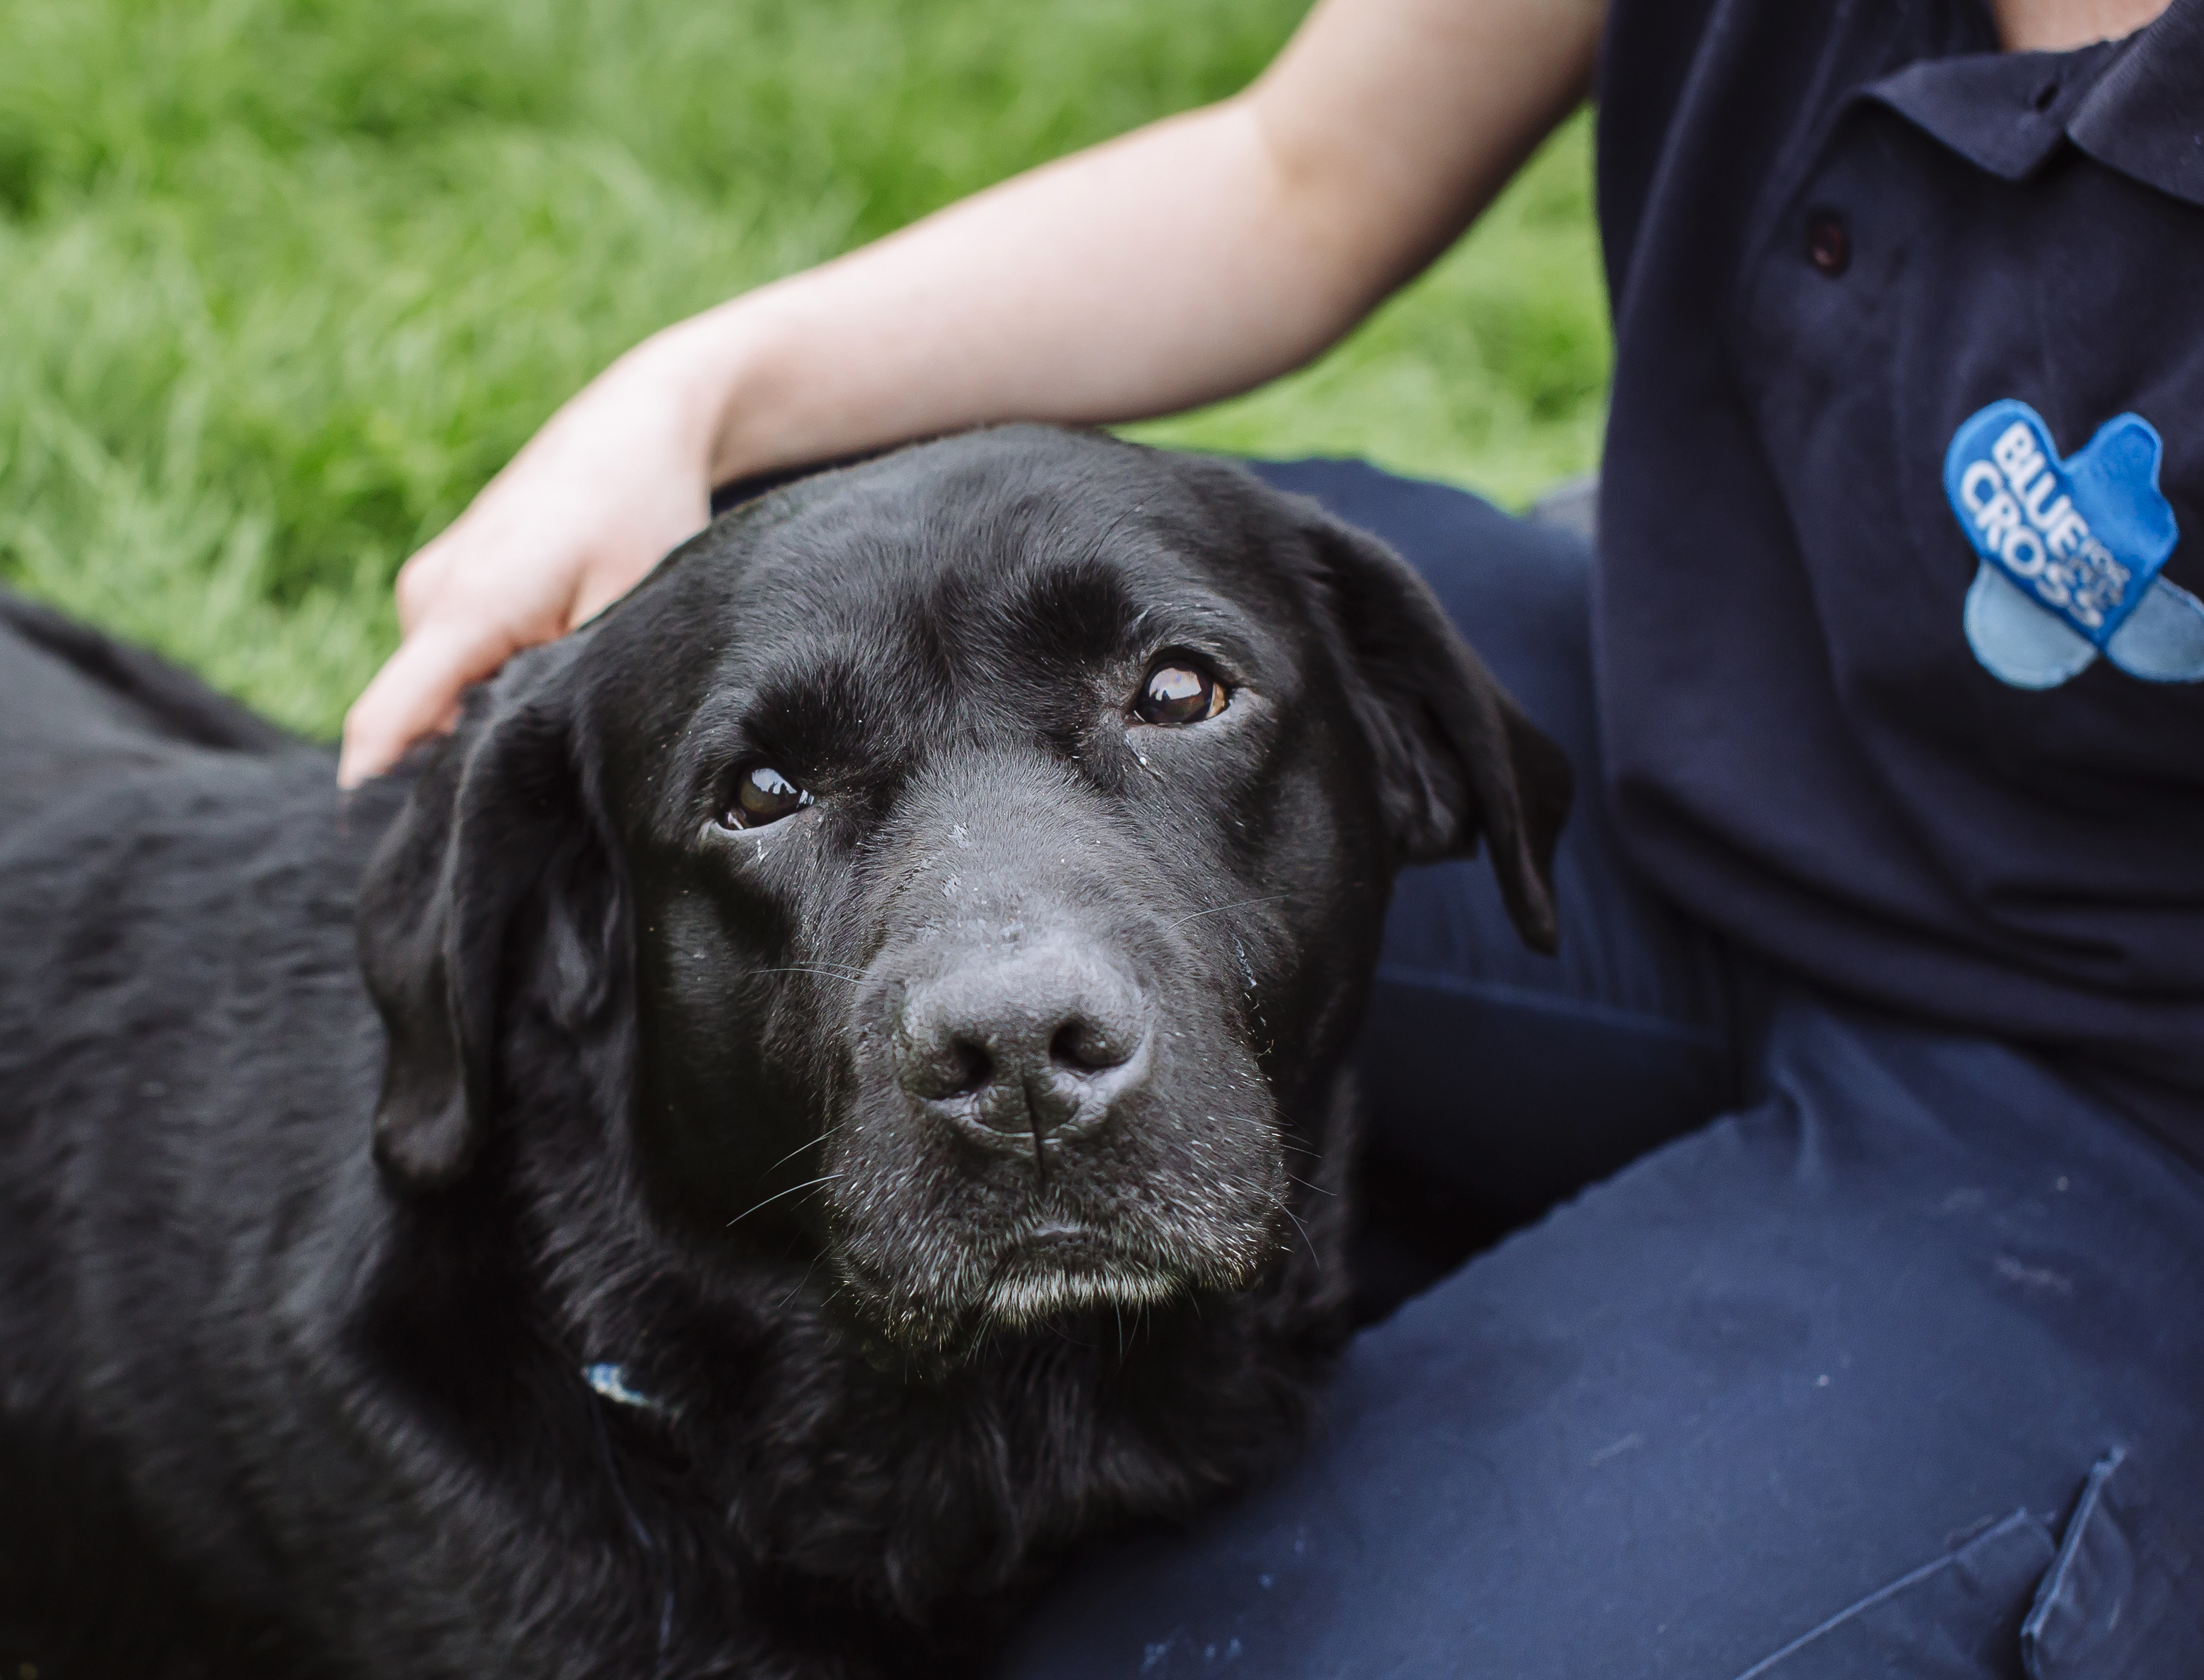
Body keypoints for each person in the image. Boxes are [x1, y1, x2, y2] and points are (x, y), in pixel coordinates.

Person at [341, 0, 2204, 1670]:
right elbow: (1303, 171)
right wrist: (693, 392)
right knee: (1019, 578)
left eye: (1169, 707)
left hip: (2128, 1082)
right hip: (1727, 749)